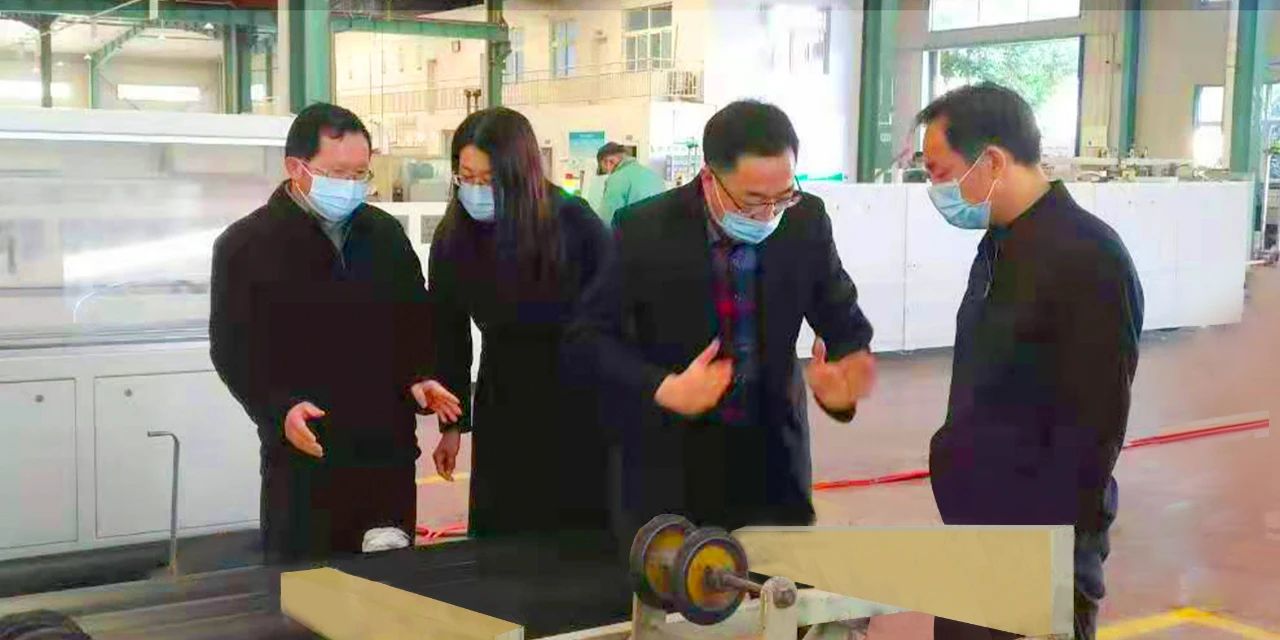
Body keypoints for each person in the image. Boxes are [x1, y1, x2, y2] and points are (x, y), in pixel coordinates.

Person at [564, 100, 877, 540]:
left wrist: (843, 381)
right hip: (672, 465)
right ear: (709, 178)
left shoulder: (805, 219)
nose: (769, 215)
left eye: (782, 196)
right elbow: (588, 339)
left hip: (772, 462)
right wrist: (664, 387)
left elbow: (842, 319)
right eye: (752, 201)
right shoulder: (644, 230)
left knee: (780, 579)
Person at [917, 83, 1143, 640]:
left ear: (992, 161)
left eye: (940, 173)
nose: (934, 189)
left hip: (1036, 555)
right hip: (979, 537)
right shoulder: (1000, 243)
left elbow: (1093, 432)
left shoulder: (1088, 258)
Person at [210, 103, 460, 564]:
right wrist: (278, 409)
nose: (350, 186)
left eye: (360, 174)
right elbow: (233, 349)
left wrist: (420, 375)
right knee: (307, 589)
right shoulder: (245, 246)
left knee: (391, 589)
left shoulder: (384, 235)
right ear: (296, 168)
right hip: (307, 459)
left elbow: (414, 318)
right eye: (338, 174)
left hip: (385, 456)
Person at [426, 107, 613, 537]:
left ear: (519, 174)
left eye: (489, 179)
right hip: (503, 395)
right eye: (466, 177)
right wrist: (452, 425)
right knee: (504, 527)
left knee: (575, 530)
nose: (477, 190)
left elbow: (616, 314)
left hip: (577, 397)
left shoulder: (573, 222)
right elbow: (449, 332)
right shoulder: (455, 235)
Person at [596, 141, 667, 227]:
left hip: (635, 231)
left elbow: (607, 217)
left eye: (604, 169)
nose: (608, 171)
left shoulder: (618, 178)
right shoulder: (654, 176)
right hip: (659, 230)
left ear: (608, 162)